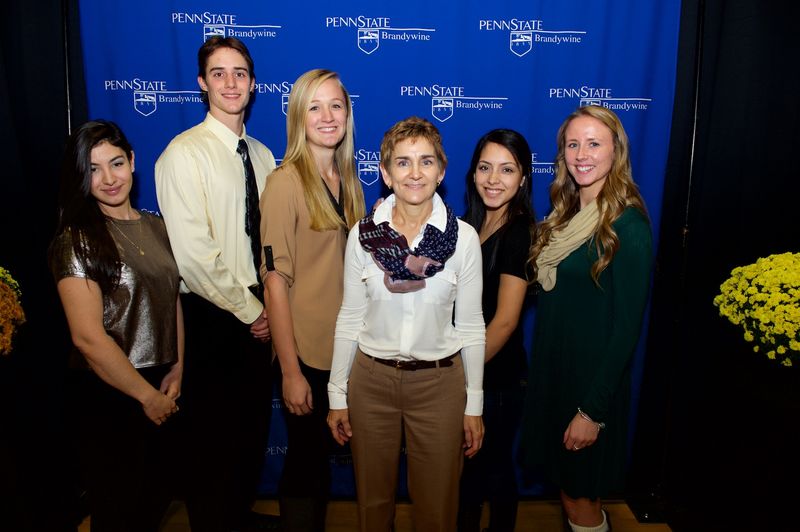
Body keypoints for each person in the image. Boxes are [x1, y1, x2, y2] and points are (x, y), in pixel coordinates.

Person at [327, 116, 486, 532]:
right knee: (373, 507)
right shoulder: (362, 236)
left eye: (426, 161)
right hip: (371, 382)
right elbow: (350, 316)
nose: (415, 173)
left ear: (442, 170)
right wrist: (336, 393)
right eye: (402, 162)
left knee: (437, 510)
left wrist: (474, 404)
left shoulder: (464, 239)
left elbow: (471, 325)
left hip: (439, 385)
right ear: (384, 172)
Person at [155, 36, 276, 532]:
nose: (231, 83)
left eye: (240, 73)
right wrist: (253, 311)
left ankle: (237, 516)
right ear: (202, 84)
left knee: (250, 433)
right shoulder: (183, 155)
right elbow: (193, 255)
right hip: (213, 317)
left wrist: (273, 308)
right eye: (219, 73)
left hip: (262, 314)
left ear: (252, 84)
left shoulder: (265, 156)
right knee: (212, 439)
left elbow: (272, 244)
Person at [522, 105, 653, 532]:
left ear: (616, 152)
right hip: (554, 377)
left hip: (589, 390)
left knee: (581, 499)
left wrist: (592, 412)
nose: (582, 153)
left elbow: (626, 331)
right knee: (566, 489)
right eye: (573, 143)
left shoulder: (627, 225)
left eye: (594, 143)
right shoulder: (564, 217)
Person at [49, 120, 182, 531]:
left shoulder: (156, 225)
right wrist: (145, 397)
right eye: (93, 169)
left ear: (133, 162)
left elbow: (173, 299)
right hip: (107, 395)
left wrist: (178, 368)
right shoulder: (76, 239)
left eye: (116, 163)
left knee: (153, 502)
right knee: (117, 509)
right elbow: (87, 338)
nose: (108, 179)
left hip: (161, 384)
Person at [260, 68, 365, 531]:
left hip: (348, 350)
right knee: (305, 463)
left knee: (321, 462)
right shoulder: (285, 183)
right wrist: (289, 371)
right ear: (298, 117)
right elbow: (274, 283)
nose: (327, 116)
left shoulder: (351, 181)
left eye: (336, 105)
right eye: (314, 107)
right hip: (307, 354)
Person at [458, 129, 535, 532]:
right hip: (474, 375)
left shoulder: (519, 232)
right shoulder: (468, 227)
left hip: (498, 380)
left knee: (494, 473)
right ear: (472, 174)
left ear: (523, 178)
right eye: (485, 168)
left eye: (507, 170)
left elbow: (505, 321)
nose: (493, 179)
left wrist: (460, 373)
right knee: (470, 476)